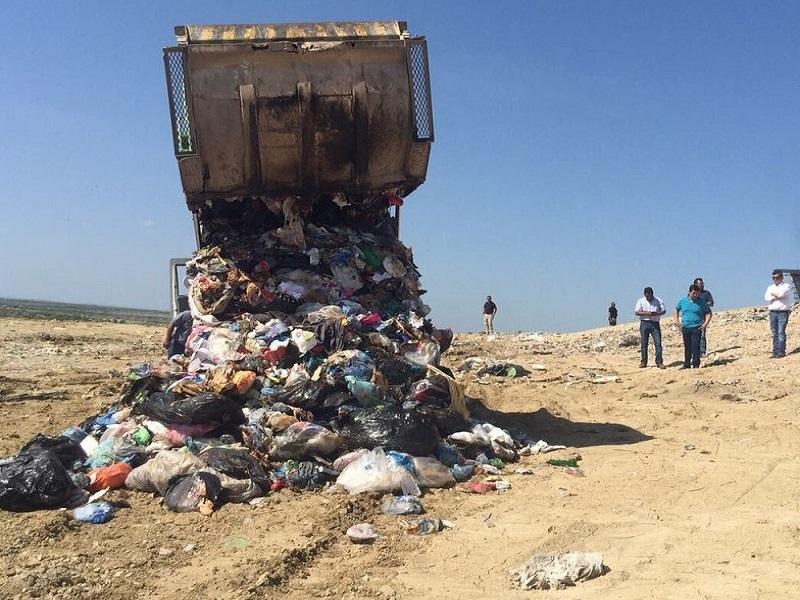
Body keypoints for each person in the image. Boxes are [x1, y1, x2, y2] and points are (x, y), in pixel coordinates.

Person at [674, 285, 712, 369]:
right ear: (689, 292)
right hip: (686, 327)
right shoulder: (683, 301)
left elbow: (708, 313)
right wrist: (677, 323)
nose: (695, 295)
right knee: (687, 346)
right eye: (693, 293)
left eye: (697, 293)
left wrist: (705, 324)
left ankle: (696, 364)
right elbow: (676, 310)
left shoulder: (701, 302)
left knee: (696, 346)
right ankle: (687, 364)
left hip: (697, 327)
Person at [634, 287, 666, 368]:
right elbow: (637, 312)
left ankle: (659, 362)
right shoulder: (640, 301)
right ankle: (643, 362)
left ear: (652, 294)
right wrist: (647, 313)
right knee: (644, 344)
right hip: (644, 323)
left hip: (655, 323)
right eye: (647, 295)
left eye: (650, 295)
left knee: (658, 343)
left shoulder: (658, 300)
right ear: (644, 295)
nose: (648, 297)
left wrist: (657, 313)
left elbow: (664, 310)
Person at [764, 270, 792, 358]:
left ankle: (781, 351)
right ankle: (775, 351)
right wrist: (775, 296)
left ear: (781, 277)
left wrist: (774, 296)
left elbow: (781, 295)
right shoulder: (770, 287)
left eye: (777, 277)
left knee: (781, 332)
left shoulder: (786, 286)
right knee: (774, 332)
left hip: (782, 312)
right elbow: (767, 298)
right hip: (773, 312)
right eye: (773, 278)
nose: (775, 279)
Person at [693, 277, 714, 356]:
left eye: (702, 284)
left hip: (704, 316)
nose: (701, 285)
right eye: (700, 284)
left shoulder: (706, 293)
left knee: (702, 334)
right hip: (694, 316)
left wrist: (703, 304)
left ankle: (702, 351)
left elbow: (711, 303)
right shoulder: (692, 293)